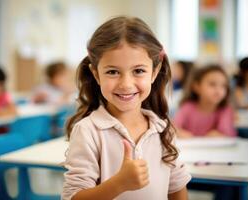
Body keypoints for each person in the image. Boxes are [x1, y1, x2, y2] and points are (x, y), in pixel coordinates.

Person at [62, 16, 191, 200]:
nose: (126, 84)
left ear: (154, 72)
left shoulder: (163, 129)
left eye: (138, 71)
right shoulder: (88, 131)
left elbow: (177, 188)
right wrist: (119, 183)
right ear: (96, 74)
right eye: (112, 72)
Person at [173, 65, 237, 138]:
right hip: (190, 148)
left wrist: (220, 135)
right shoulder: (187, 107)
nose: (218, 90)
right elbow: (174, 127)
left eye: (223, 86)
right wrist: (178, 132)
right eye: (212, 84)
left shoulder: (225, 110)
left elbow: (228, 134)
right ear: (197, 86)